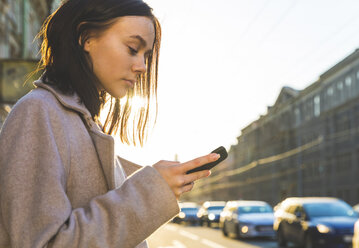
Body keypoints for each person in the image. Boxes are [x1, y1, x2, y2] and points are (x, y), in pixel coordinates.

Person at [0, 0, 220, 247]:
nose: (142, 67)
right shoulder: (38, 111)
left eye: (146, 55)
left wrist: (158, 184)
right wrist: (150, 191)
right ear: (86, 38)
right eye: (132, 48)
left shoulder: (84, 123)